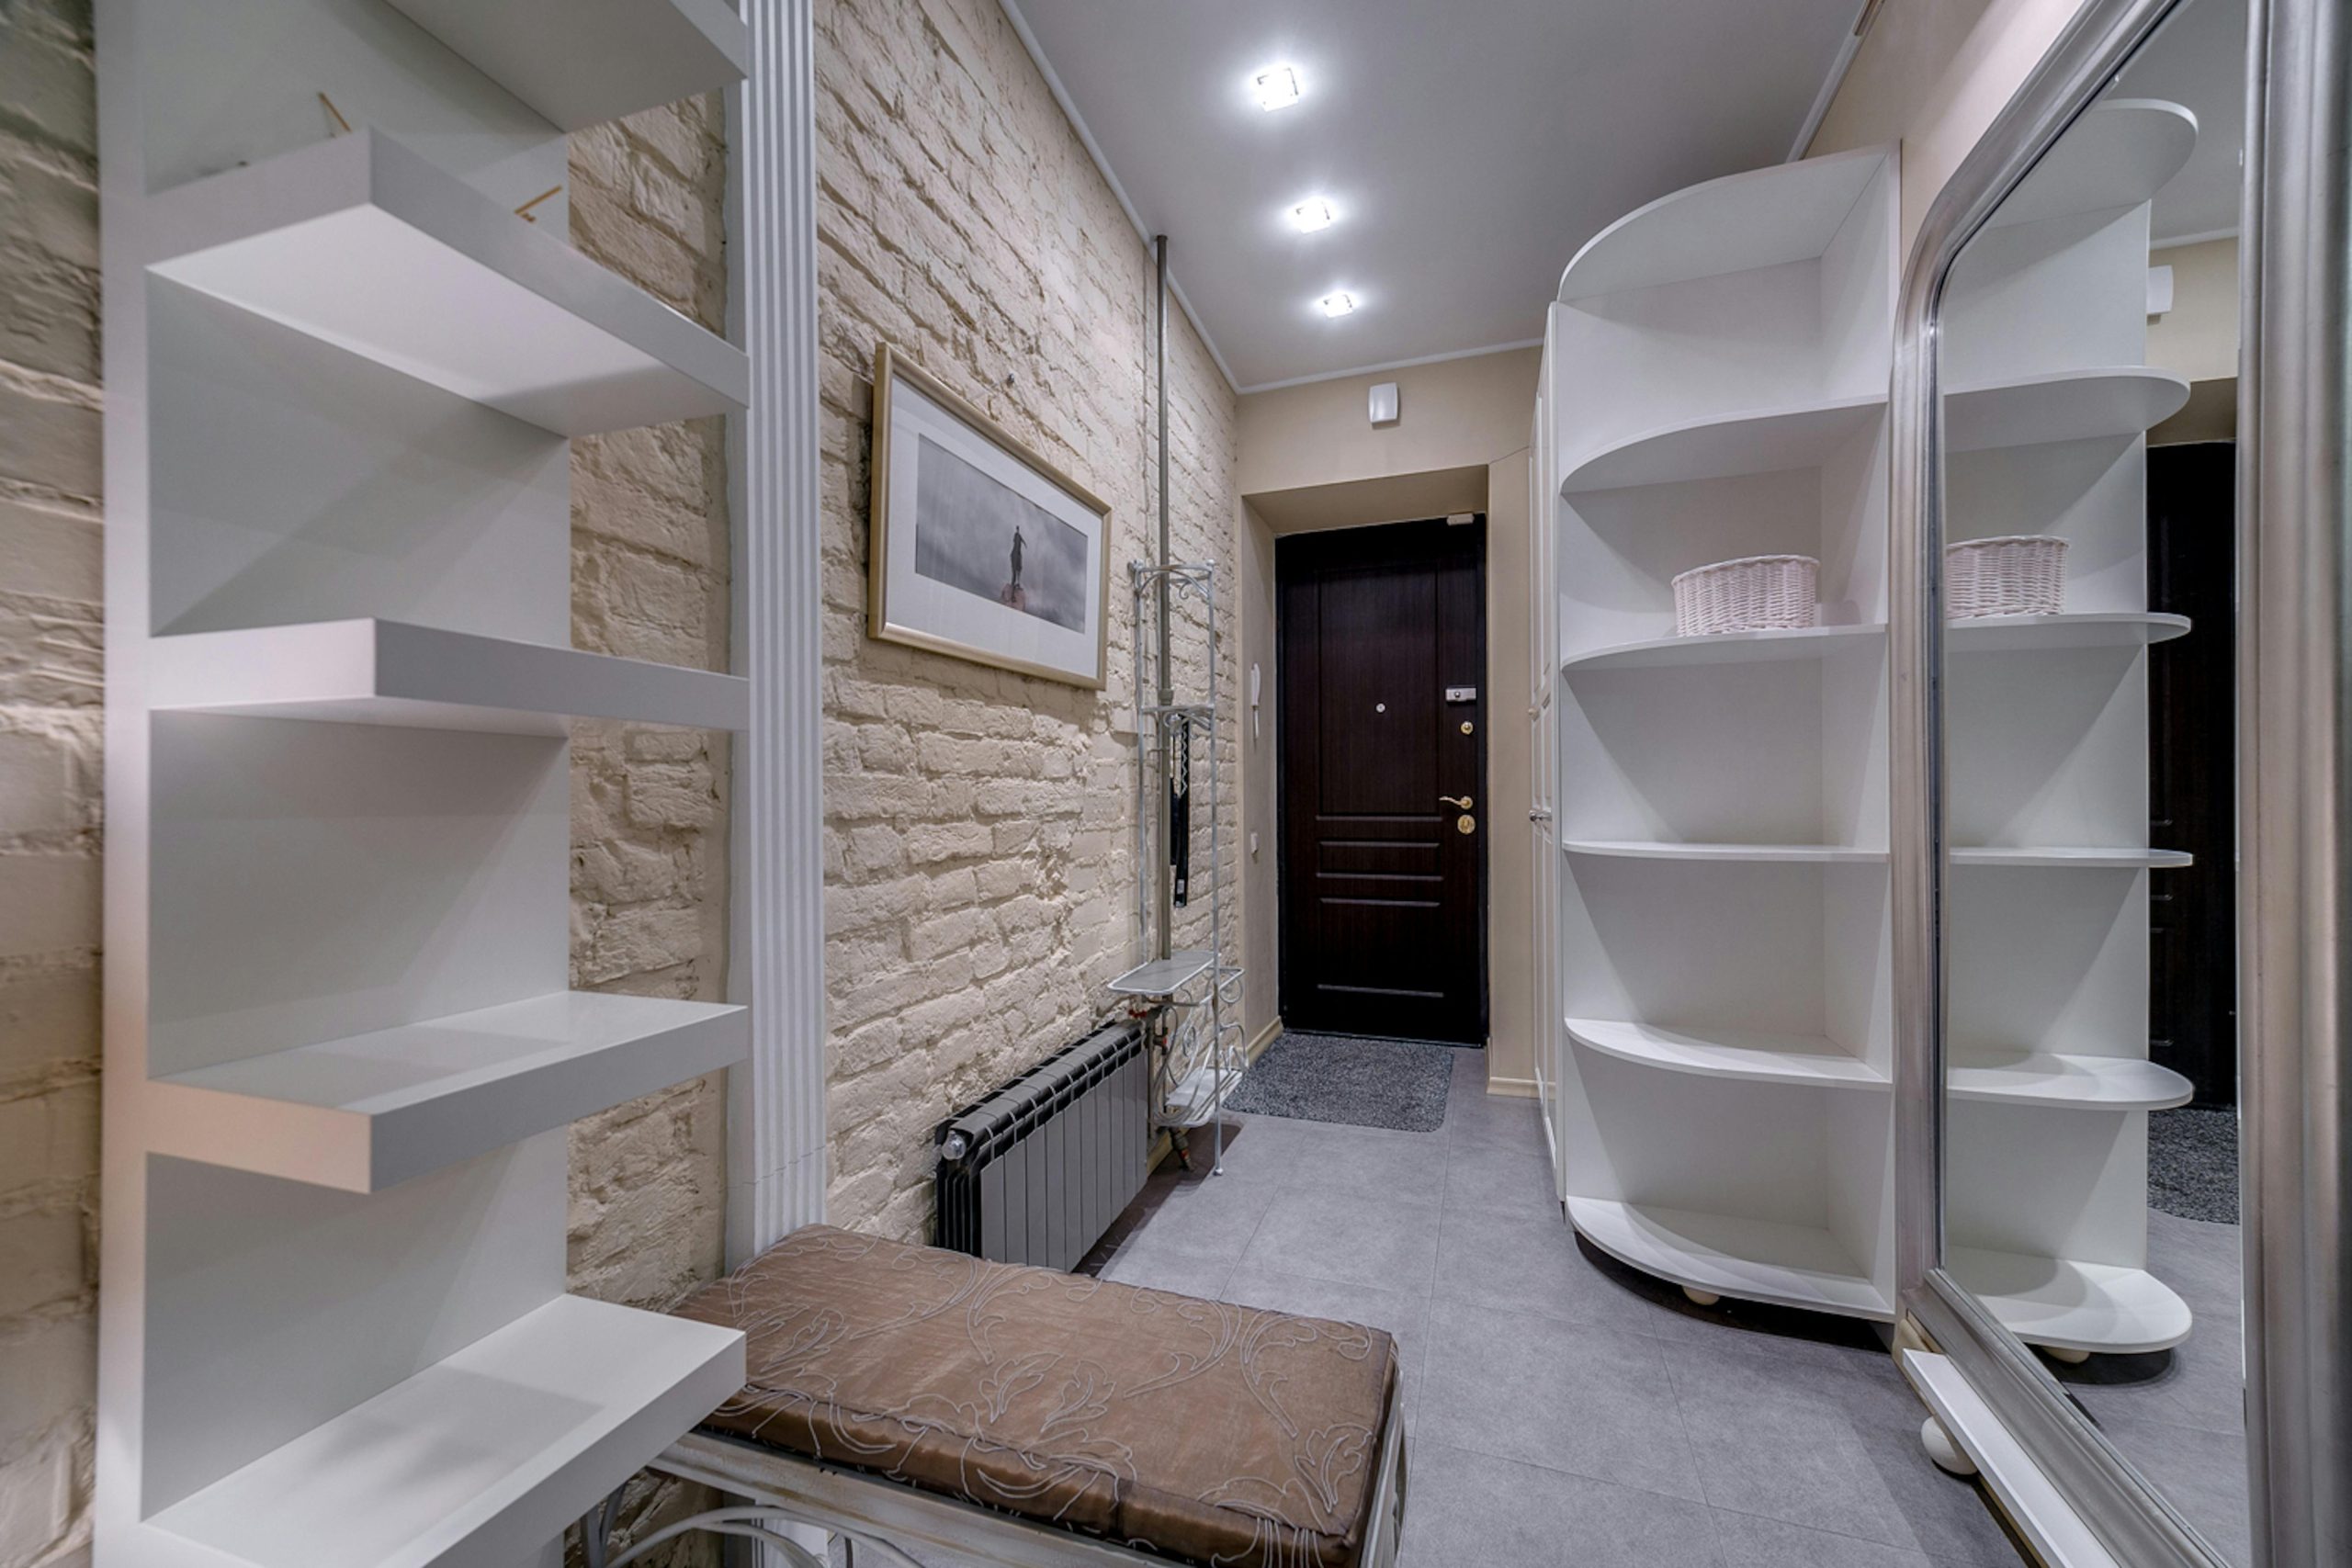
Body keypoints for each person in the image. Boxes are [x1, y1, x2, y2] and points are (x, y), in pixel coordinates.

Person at [1009, 524, 1025, 591]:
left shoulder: (1019, 536)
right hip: (1015, 554)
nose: (1018, 530)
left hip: (1018, 554)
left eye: (1018, 529)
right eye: (1017, 529)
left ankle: (1017, 583)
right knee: (1014, 570)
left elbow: (1023, 540)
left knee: (1019, 569)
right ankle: (1013, 583)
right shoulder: (1016, 535)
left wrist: (1025, 544)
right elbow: (1015, 541)